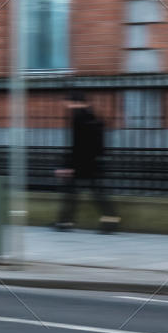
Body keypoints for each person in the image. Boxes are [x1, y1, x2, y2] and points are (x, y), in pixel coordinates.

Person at [55, 91, 119, 233]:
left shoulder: (78, 118)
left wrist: (70, 166)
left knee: (72, 192)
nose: (66, 106)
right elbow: (97, 145)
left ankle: (65, 222)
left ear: (75, 102)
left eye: (68, 102)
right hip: (93, 162)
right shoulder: (94, 118)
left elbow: (79, 145)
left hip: (82, 163)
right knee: (97, 194)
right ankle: (110, 222)